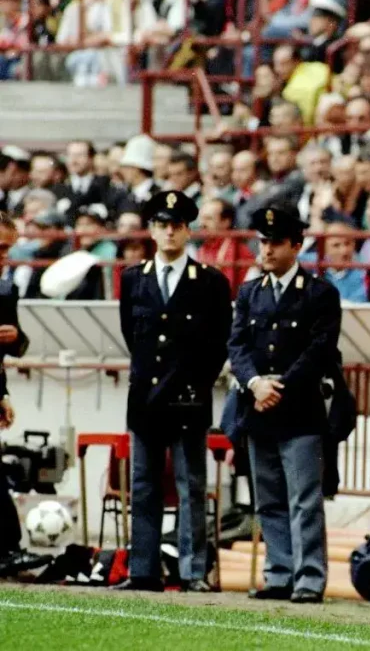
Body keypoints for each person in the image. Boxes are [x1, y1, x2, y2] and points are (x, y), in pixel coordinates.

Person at [115, 191, 233, 592]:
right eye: (163, 225)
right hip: (146, 399)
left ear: (187, 231)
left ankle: (193, 571)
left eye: (177, 225)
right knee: (144, 487)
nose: (169, 232)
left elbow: (219, 343)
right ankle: (142, 569)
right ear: (151, 229)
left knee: (191, 488)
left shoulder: (211, 282)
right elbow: (134, 336)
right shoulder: (133, 279)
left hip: (188, 398)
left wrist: (195, 385)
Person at [228, 204, 342, 604]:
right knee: (270, 500)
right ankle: (279, 572)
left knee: (304, 500)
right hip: (259, 409)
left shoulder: (319, 293)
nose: (267, 250)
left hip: (299, 411)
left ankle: (309, 577)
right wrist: (256, 384)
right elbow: (238, 345)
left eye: (276, 243)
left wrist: (280, 387)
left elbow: (320, 350)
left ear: (297, 244)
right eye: (263, 242)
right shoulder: (249, 292)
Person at [0, 211, 48, 578]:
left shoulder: (6, 288)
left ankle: (8, 549)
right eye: (0, 248)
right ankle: (8, 548)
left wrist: (2, 394)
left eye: (8, 249)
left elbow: (14, 343)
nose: (4, 257)